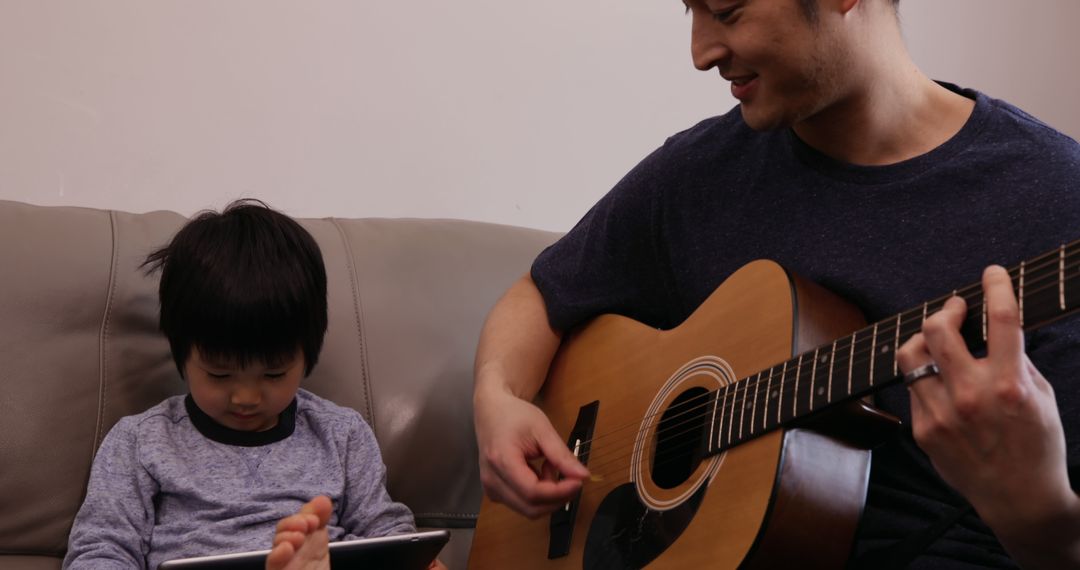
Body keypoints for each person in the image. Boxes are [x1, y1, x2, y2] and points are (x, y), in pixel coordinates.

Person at [472, 0, 1080, 568]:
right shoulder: (697, 176)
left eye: (728, 11)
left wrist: (1040, 516)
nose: (700, 51)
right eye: (692, 12)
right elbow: (542, 293)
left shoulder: (1055, 199)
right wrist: (498, 400)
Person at [62, 201, 440, 569]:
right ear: (181, 354)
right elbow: (100, 549)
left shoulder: (342, 434)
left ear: (307, 355)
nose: (246, 397)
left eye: (274, 375)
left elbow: (386, 532)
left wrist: (417, 560)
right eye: (220, 375)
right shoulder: (141, 442)